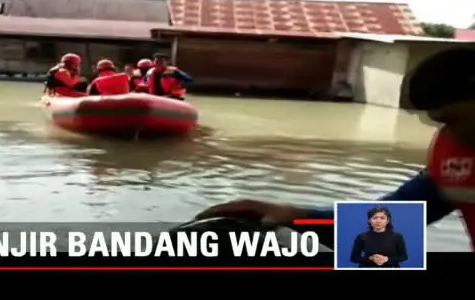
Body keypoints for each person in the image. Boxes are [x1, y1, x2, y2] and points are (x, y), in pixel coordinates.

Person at [194, 48, 475, 250]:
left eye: (453, 120)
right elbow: (392, 221)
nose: (449, 134)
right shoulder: (454, 156)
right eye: (438, 123)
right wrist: (292, 214)